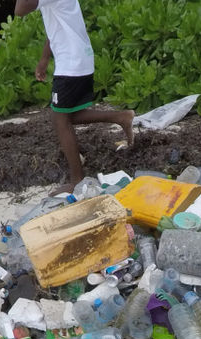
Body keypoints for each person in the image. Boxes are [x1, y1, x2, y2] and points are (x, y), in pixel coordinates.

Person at [14, 0, 135, 196]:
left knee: (59, 119)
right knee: (69, 115)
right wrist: (45, 58)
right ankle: (121, 117)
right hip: (78, 59)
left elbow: (19, 10)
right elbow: (57, 26)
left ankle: (76, 179)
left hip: (71, 64)